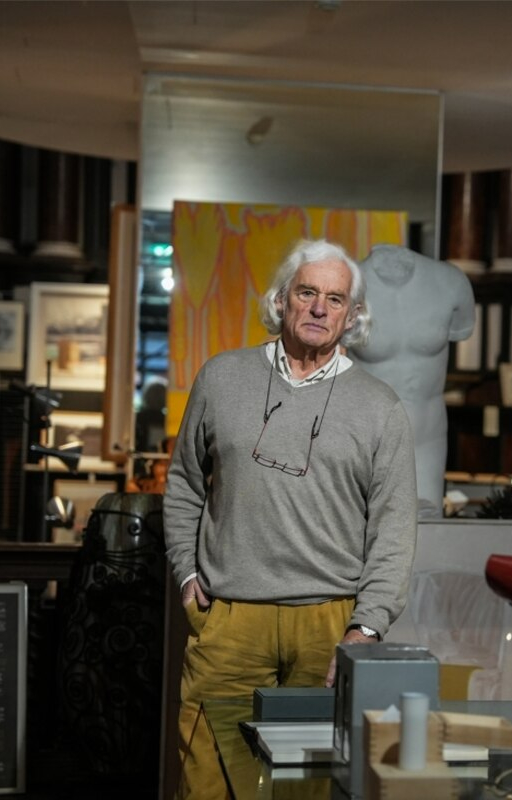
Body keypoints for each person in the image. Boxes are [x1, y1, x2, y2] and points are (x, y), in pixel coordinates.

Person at [163, 238, 418, 799]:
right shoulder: (221, 378)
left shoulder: (381, 407)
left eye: (335, 298)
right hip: (230, 617)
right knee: (207, 781)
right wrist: (186, 573)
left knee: (307, 788)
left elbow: (395, 530)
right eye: (307, 293)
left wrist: (367, 626)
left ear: (352, 315)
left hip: (329, 622)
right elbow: (183, 484)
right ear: (281, 300)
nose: (319, 308)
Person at [350, 244, 475, 517]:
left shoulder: (450, 282)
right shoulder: (348, 284)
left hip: (427, 436)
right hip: (368, 435)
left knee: (427, 529)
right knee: (365, 528)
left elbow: (463, 330)